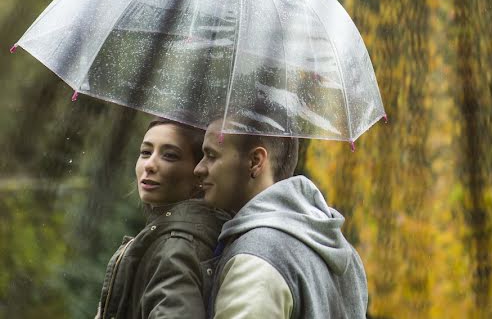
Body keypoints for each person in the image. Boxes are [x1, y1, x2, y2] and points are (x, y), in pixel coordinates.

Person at [194, 119, 368, 318]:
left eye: (211, 156)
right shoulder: (340, 250)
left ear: (255, 161)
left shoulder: (255, 260)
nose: (198, 169)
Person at [95, 119, 229, 319]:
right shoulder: (178, 237)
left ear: (199, 171)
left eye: (169, 156)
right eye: (145, 152)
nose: (149, 165)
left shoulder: (177, 248)